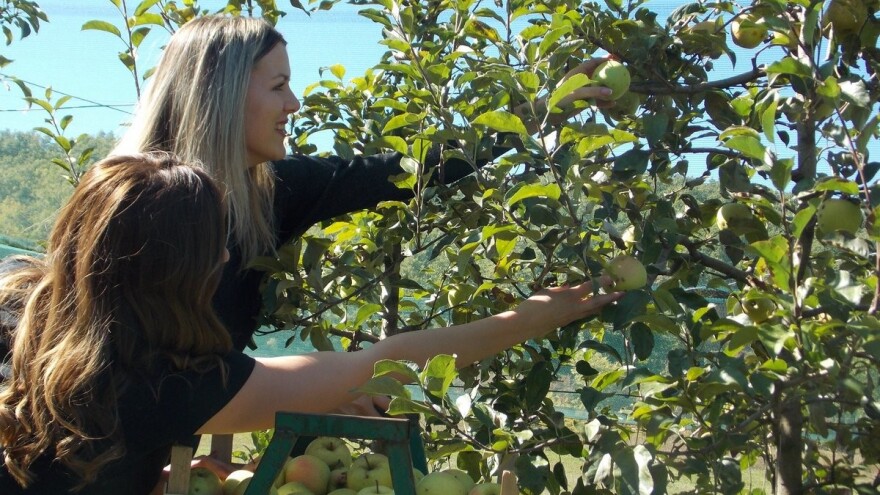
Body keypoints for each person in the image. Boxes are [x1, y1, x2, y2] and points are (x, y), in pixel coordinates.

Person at [0, 152, 623, 493]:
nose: (226, 258)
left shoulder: (20, 308)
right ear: (175, 273)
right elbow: (384, 363)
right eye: (217, 245)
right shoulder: (167, 384)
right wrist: (540, 314)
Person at [111, 14, 617, 353]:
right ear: (220, 97)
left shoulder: (266, 196)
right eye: (278, 86)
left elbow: (412, 171)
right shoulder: (139, 207)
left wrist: (543, 109)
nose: (294, 104)